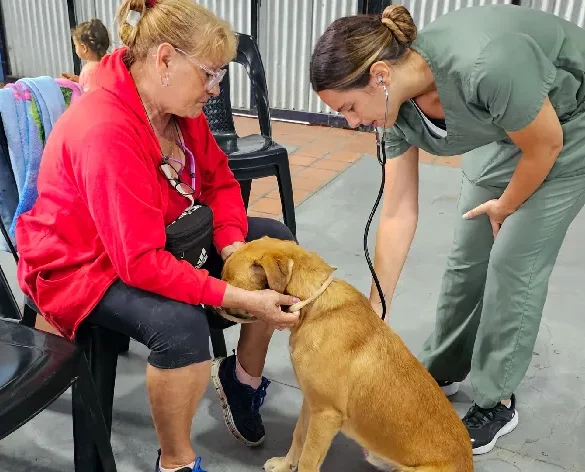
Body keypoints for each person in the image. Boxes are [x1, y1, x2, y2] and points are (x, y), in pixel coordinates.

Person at [15, 1, 299, 471]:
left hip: (157, 234)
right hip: (84, 263)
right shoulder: (105, 130)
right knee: (181, 328)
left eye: (220, 76)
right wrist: (239, 296)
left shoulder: (177, 109)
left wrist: (232, 246)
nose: (215, 89)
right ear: (165, 59)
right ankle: (175, 461)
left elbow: (220, 181)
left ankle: (241, 381)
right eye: (209, 74)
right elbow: (140, 262)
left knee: (273, 246)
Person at [310, 3, 585, 456]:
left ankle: (496, 398)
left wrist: (506, 205)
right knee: (466, 259)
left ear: (380, 75)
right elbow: (398, 211)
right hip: (509, 126)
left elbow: (545, 144)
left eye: (350, 108)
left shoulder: (487, 64)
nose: (351, 122)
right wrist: (376, 309)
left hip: (568, 127)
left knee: (512, 262)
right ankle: (444, 365)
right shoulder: (394, 108)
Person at [61, 18, 111, 92]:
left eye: (75, 45)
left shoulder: (88, 70)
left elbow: (89, 94)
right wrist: (78, 79)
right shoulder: (108, 63)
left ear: (84, 48)